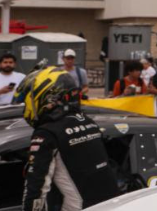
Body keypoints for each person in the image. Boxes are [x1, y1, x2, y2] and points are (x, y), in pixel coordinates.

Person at [14, 66, 119, 210]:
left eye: (26, 102)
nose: (26, 107)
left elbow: (36, 186)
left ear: (45, 97)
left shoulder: (46, 133)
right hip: (115, 203)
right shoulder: (87, 121)